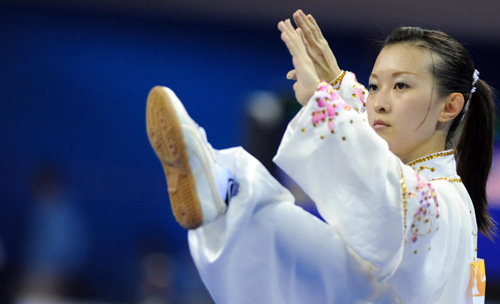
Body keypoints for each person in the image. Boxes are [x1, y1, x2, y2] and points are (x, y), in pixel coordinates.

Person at [145, 9, 496, 304]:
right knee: (289, 235)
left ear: (450, 106)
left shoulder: (444, 201)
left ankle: (226, 189)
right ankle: (224, 189)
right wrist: (338, 86)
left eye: (401, 85)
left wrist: (322, 100)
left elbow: (390, 193)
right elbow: (375, 145)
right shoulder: (429, 182)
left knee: (313, 255)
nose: (379, 102)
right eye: (374, 86)